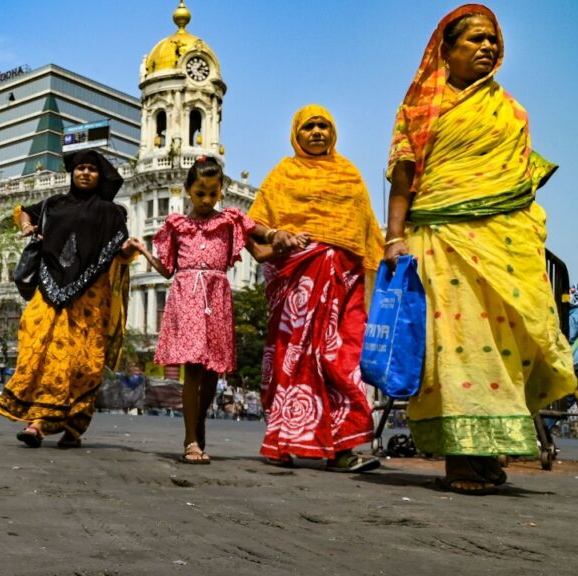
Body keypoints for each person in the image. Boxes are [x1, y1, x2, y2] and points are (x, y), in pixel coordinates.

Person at [384, 4, 577, 494]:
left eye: (492, 39)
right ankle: (462, 460)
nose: (487, 46)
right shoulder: (419, 109)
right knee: (456, 351)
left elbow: (519, 185)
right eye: (474, 39)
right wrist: (393, 237)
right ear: (445, 51)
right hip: (441, 243)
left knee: (506, 350)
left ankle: (489, 451)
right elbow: (403, 181)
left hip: (502, 246)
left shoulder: (510, 111)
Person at [133, 155, 304, 464]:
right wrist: (144, 250)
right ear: (188, 190)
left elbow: (262, 253)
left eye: (212, 193)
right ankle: (190, 440)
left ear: (221, 191)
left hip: (218, 299)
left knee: (213, 372)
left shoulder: (231, 221)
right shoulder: (177, 225)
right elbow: (167, 270)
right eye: (200, 193)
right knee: (194, 371)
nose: (206, 200)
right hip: (187, 299)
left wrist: (286, 243)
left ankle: (198, 427)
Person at [247, 105, 384, 472]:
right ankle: (288, 439)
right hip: (299, 282)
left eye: (324, 126)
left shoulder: (349, 174)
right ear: (297, 134)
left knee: (342, 358)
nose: (318, 132)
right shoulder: (283, 174)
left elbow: (368, 231)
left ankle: (344, 448)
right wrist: (279, 236)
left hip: (346, 280)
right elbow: (252, 224)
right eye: (309, 126)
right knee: (296, 356)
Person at [0, 150, 138, 448]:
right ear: (72, 173)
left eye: (92, 169)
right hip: (48, 291)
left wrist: (131, 249)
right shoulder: (54, 204)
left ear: (101, 176)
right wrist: (26, 227)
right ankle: (37, 424)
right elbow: (23, 210)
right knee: (38, 348)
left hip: (89, 299)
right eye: (80, 168)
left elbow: (119, 252)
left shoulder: (111, 213)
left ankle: (72, 427)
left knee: (84, 365)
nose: (85, 173)